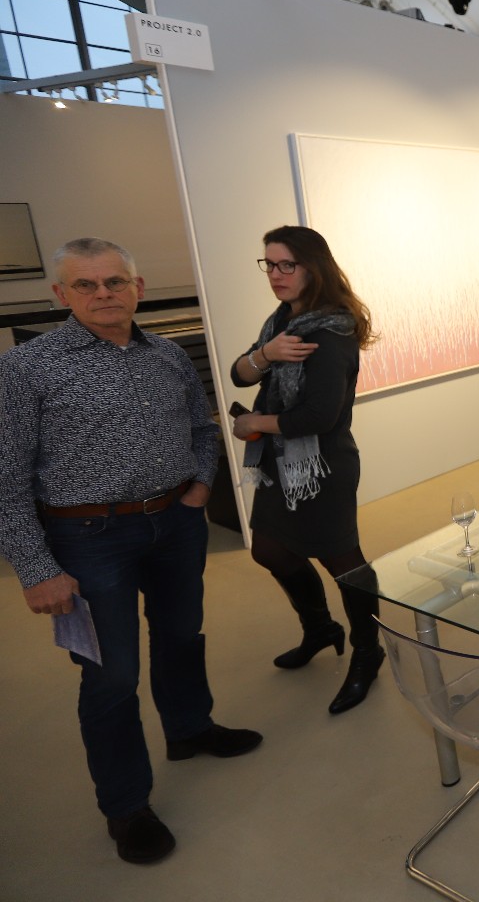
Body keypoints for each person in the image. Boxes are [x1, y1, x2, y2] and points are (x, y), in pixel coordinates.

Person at [0, 237, 262, 865]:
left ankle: (190, 728)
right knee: (111, 673)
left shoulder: (167, 355)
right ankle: (126, 807)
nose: (103, 294)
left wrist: (201, 487)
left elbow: (200, 426)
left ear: (137, 288)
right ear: (61, 294)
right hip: (88, 538)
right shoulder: (27, 367)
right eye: (85, 285)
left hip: (175, 523)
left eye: (115, 281)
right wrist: (35, 569)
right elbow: (7, 476)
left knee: (182, 635)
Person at [230, 225, 381, 716]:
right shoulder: (282, 322)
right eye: (269, 264)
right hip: (280, 461)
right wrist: (265, 354)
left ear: (313, 268)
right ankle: (320, 628)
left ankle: (367, 651)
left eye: (286, 265)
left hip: (321, 465)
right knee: (269, 549)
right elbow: (238, 373)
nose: (275, 274)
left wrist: (255, 423)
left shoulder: (329, 332)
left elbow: (319, 417)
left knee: (345, 563)